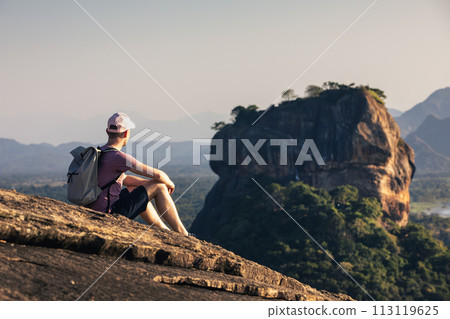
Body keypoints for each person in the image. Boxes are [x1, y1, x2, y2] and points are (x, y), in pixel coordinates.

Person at [86, 112, 189, 236]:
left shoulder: (100, 152)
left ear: (107, 131)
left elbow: (125, 179)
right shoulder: (118, 157)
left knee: (134, 189)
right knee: (160, 186)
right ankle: (183, 233)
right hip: (108, 213)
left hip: (94, 209)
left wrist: (149, 186)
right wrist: (168, 183)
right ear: (126, 133)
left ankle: (163, 230)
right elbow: (158, 175)